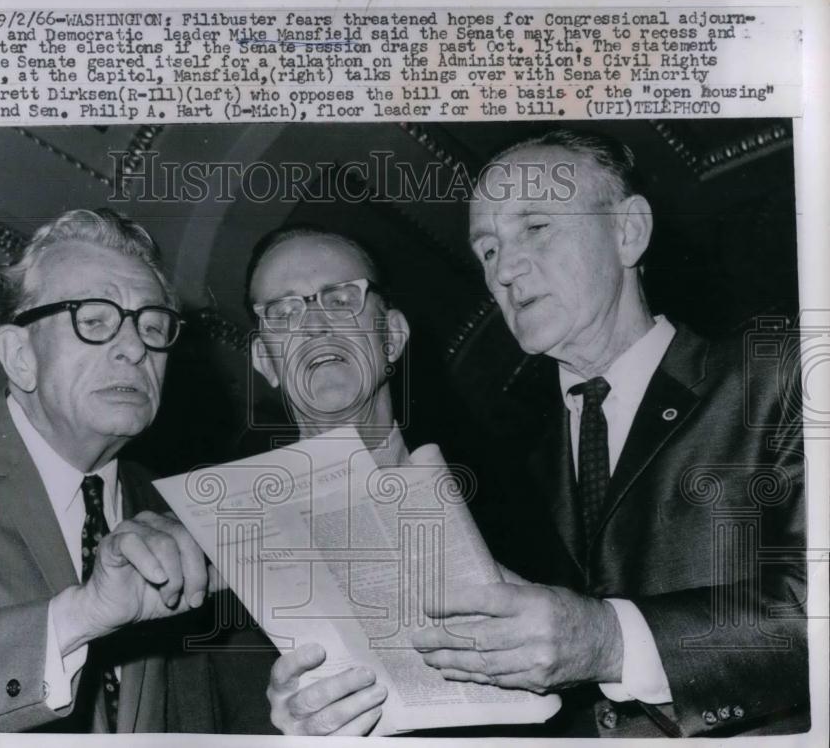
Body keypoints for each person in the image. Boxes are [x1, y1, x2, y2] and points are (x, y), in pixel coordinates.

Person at [410, 130, 809, 737]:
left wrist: (610, 641)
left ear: (628, 231)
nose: (506, 268)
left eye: (536, 226)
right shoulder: (506, 469)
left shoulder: (781, 376)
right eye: (487, 250)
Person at [0, 209, 238, 732]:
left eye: (153, 325)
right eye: (94, 320)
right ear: (19, 355)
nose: (136, 348)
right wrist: (79, 616)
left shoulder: (182, 513)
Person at [246, 226, 524, 736]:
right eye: (283, 313)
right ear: (266, 362)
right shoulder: (228, 536)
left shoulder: (518, 489)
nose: (314, 326)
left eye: (340, 298)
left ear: (391, 335)